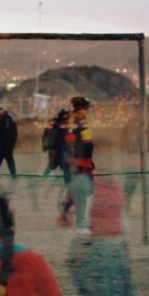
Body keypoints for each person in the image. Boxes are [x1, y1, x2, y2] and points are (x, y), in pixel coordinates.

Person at [64, 96, 95, 234]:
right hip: (80, 162)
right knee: (84, 189)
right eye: (86, 108)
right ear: (81, 109)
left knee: (80, 188)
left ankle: (66, 208)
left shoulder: (76, 122)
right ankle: (81, 222)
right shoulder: (76, 122)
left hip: (82, 161)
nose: (87, 111)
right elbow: (75, 143)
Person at [43, 107, 71, 181]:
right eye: (66, 115)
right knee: (52, 164)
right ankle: (44, 178)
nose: (67, 116)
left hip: (64, 146)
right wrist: (45, 145)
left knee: (66, 164)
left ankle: (67, 179)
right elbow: (48, 130)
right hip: (56, 147)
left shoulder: (67, 123)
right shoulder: (55, 122)